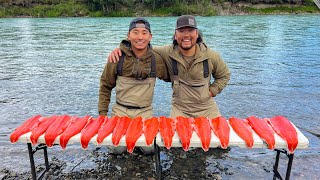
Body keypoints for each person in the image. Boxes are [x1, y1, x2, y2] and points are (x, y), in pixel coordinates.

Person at [108, 15, 231, 119]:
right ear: (175, 34)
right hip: (180, 110)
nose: (186, 35)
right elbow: (141, 46)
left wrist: (212, 91)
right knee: (175, 145)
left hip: (207, 108)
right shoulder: (166, 52)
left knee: (220, 145)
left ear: (197, 34)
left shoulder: (211, 55)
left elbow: (224, 75)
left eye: (190, 30)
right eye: (182, 31)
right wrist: (122, 49)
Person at [98, 17, 170, 154]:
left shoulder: (157, 59)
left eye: (144, 33)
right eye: (135, 32)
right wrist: (102, 115)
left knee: (149, 149)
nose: (140, 37)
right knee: (116, 149)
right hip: (120, 111)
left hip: (145, 111)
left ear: (150, 37)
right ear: (128, 36)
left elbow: (173, 79)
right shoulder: (116, 58)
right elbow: (105, 86)